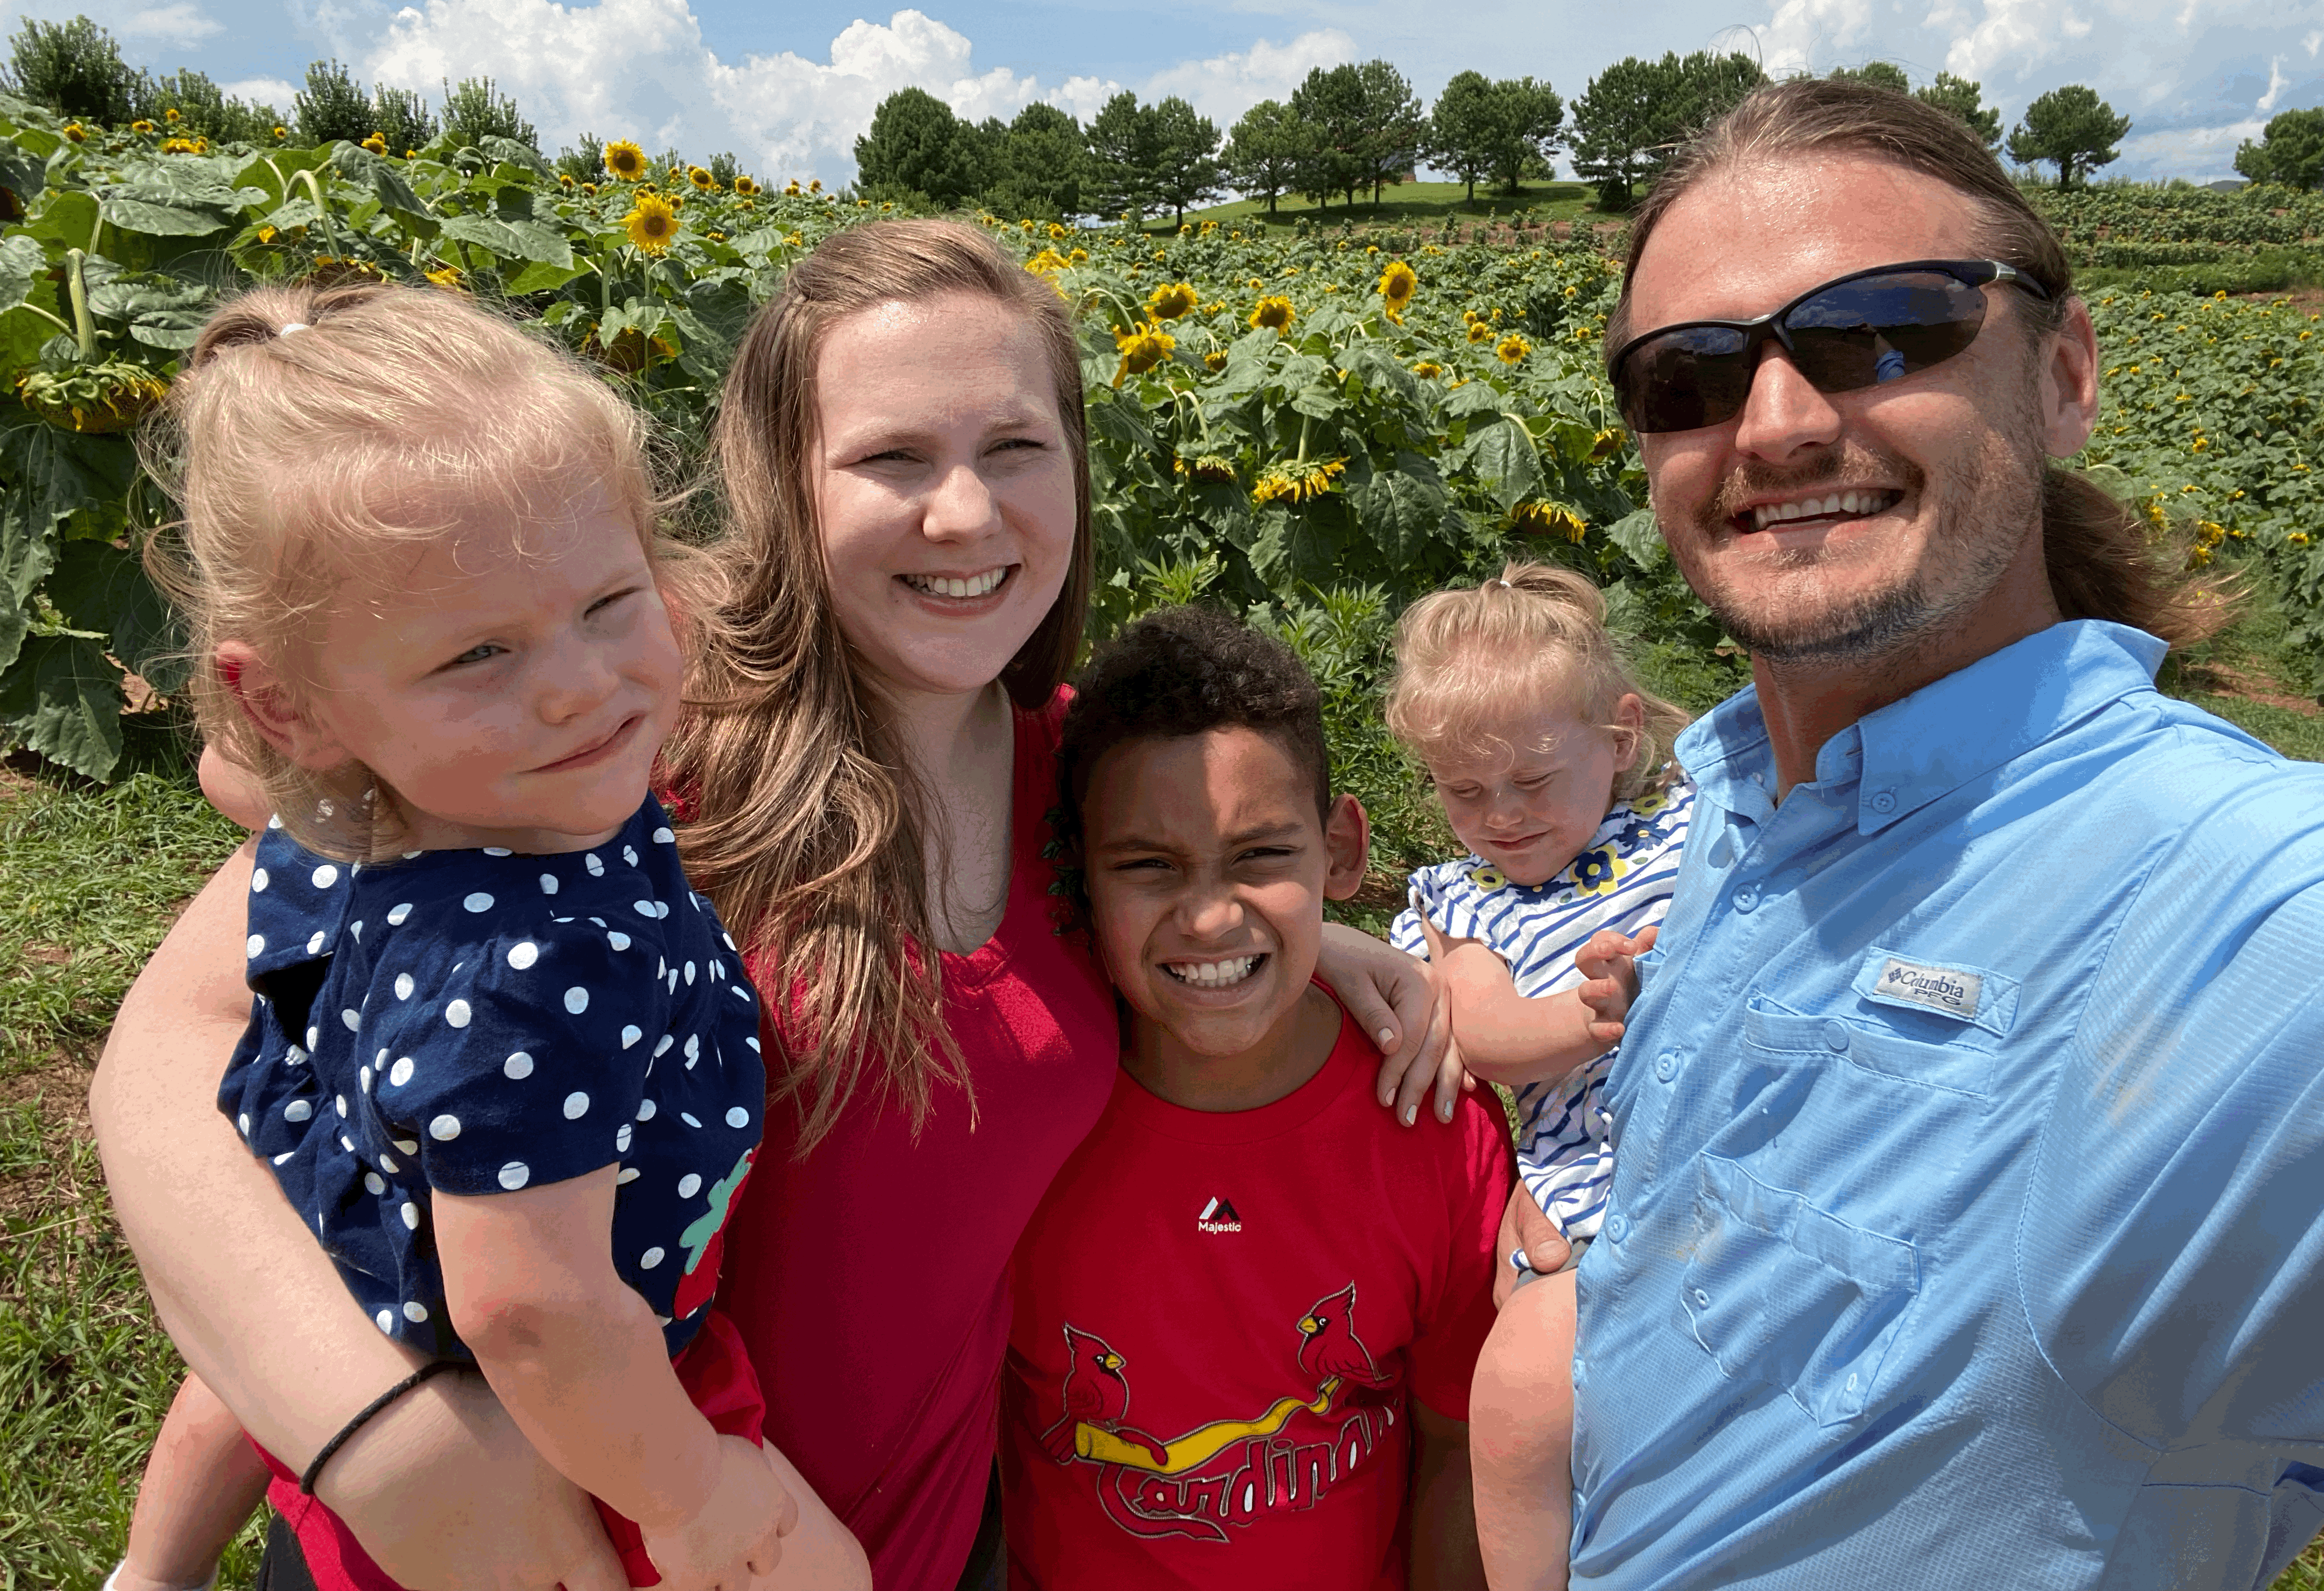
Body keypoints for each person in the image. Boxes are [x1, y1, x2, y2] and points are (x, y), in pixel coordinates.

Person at [91, 220, 1453, 1591]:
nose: (968, 513)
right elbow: (199, 1040)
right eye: (893, 458)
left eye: (1018, 447)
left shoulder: (1082, 780)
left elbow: (1193, 888)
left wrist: (1312, 938)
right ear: (785, 482)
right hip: (549, 1549)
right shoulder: (606, 746)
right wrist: (381, 1443)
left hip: (898, 1547)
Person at [1504, 78, 2324, 1586]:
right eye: (1688, 374)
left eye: (1883, 328)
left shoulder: (2241, 901)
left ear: (2066, 374)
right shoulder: (1741, 812)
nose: (1772, 422)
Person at [117, 281, 800, 1591]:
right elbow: (534, 1314)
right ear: (297, 706)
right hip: (573, 1439)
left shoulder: (401, 809)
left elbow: (232, 778)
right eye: (478, 654)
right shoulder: (538, 967)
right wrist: (710, 1502)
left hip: (359, 1329)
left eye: (610, 602)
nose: (579, 683)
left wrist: (336, 752)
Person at [999, 607, 1513, 1588]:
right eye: (1149, 865)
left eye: (1262, 857)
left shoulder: (1434, 1120)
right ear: (1078, 873)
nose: (1208, 915)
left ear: (1341, 849)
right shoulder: (1022, 1127)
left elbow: (1460, 1450)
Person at [1383, 563, 1695, 1590]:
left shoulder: (1694, 827)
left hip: (1738, 1150)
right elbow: (1488, 1031)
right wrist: (1596, 1016)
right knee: (1517, 1383)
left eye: (1530, 783)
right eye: (1464, 791)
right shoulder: (1467, 902)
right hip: (1595, 1196)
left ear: (1619, 736)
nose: (1501, 818)